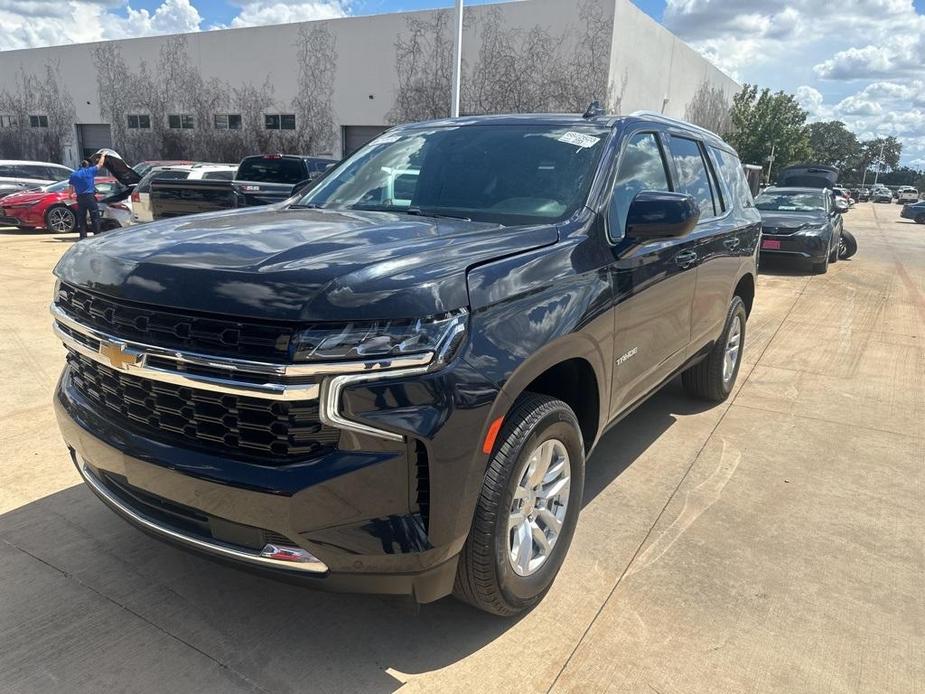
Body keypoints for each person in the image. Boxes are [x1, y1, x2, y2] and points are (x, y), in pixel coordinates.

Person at [68, 152, 106, 240]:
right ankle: (97, 235)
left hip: (80, 198)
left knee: (81, 218)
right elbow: (100, 164)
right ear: (87, 166)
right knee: (95, 217)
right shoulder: (90, 171)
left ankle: (83, 236)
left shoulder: (73, 175)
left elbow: (70, 188)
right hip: (90, 197)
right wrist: (103, 155)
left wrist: (70, 195)